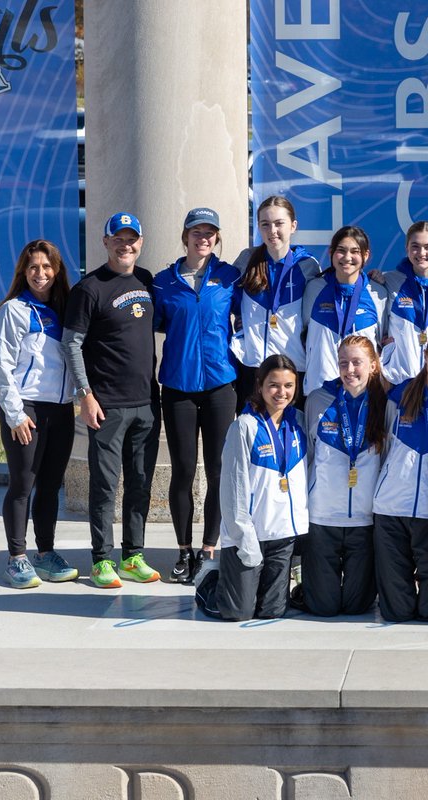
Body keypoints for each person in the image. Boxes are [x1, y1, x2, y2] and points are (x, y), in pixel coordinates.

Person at [63, 212, 161, 589]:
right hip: (106, 405)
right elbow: (71, 344)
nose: (126, 245)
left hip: (147, 402)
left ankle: (132, 555)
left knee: (140, 483)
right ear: (105, 242)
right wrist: (84, 395)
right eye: (118, 239)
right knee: (105, 484)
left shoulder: (146, 280)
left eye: (132, 238)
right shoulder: (90, 289)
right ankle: (102, 559)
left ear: (140, 241)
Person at [153, 207, 240, 584]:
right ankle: (184, 550)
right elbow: (146, 327)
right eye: (195, 232)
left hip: (221, 386)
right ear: (184, 237)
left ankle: (209, 549)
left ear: (216, 238)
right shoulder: (162, 283)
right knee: (184, 471)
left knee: (219, 471)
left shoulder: (229, 277)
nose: (202, 238)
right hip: (178, 388)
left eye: (209, 232)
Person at [0, 239, 77, 588]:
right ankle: (17, 558)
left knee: (51, 486)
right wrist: (15, 414)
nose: (40, 274)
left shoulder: (65, 309)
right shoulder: (14, 311)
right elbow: (0, 369)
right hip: (25, 408)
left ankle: (45, 553)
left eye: (46, 267)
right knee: (23, 485)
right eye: (33, 268)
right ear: (23, 273)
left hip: (60, 410)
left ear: (57, 271)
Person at [208, 354, 308, 621]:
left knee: (272, 612)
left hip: (283, 534)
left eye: (288, 385)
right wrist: (243, 537)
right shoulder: (244, 426)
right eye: (274, 385)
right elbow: (232, 488)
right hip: (249, 534)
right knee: (238, 612)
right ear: (260, 385)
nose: (281, 392)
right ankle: (209, 581)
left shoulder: (298, 421)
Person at [373, 328, 428, 622]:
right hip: (391, 509)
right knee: (395, 612)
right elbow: (382, 447)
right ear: (425, 356)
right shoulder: (398, 396)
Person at [303, 336, 388, 616]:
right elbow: (309, 456)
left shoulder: (386, 404)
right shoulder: (318, 400)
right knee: (323, 608)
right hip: (323, 517)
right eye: (343, 363)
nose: (350, 369)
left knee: (357, 607)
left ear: (373, 365)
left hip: (364, 520)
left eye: (357, 362)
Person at [231, 195, 319, 407]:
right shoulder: (247, 260)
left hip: (292, 368)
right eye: (265, 224)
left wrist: (370, 278)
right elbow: (226, 298)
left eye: (279, 223)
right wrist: (241, 321)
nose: (272, 231)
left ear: (293, 226)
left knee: (291, 435)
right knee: (253, 435)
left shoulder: (308, 266)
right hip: (252, 367)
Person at [302, 225, 388, 396]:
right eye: (341, 250)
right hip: (320, 390)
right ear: (331, 253)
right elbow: (303, 331)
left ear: (366, 256)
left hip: (363, 392)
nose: (347, 257)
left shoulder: (378, 294)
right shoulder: (314, 289)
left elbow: (382, 341)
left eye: (355, 251)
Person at [378, 221, 428, 385]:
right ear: (407, 248)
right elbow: (378, 328)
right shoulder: (389, 281)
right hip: (399, 381)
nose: (421, 253)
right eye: (415, 246)